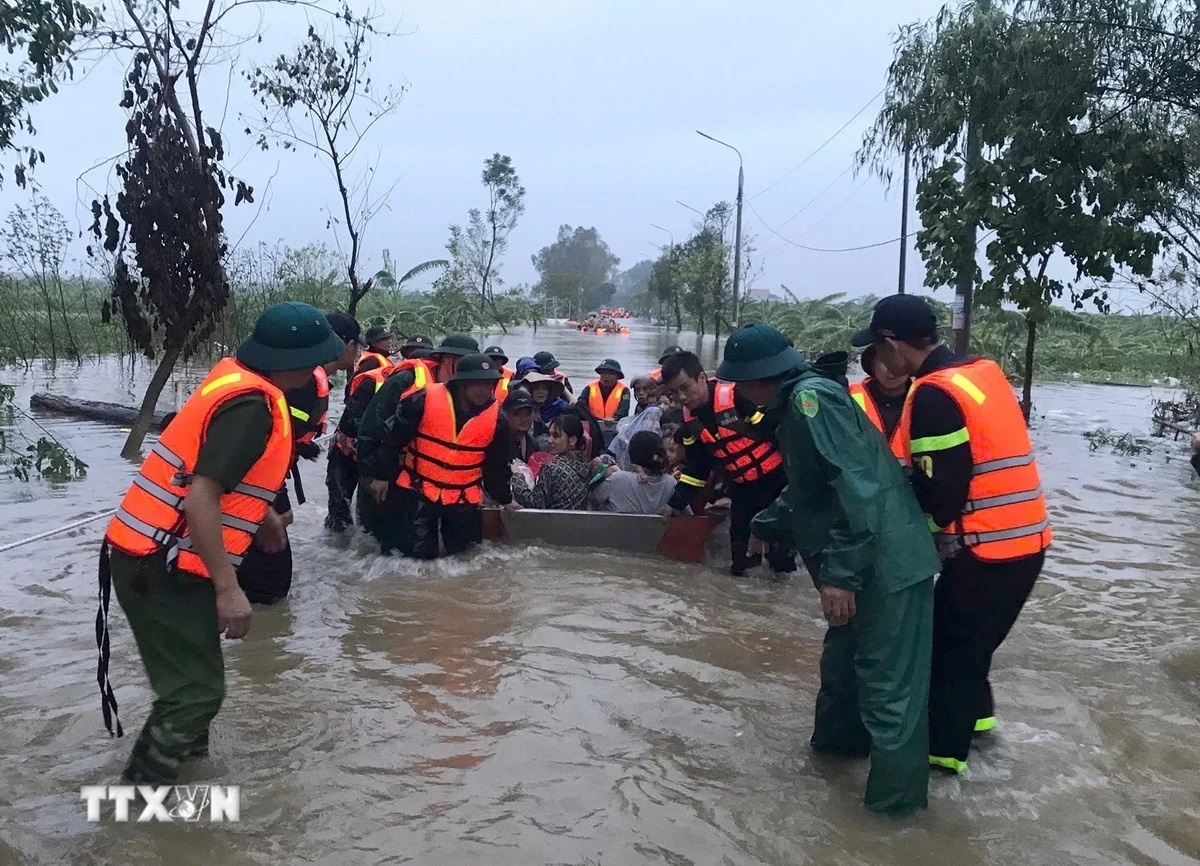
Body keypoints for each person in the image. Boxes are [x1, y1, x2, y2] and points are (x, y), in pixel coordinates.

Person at [96, 302, 344, 783]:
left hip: (149, 555)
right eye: (320, 357)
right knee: (195, 695)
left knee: (194, 688)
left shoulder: (238, 384)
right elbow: (200, 500)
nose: (325, 366)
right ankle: (129, 810)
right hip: (160, 562)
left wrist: (267, 514)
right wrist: (229, 589)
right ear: (294, 360)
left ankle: (184, 803)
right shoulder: (253, 407)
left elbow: (212, 475)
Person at [720, 323, 939, 815]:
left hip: (884, 567)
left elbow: (856, 491)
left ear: (757, 380)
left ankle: (894, 818)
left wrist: (840, 575)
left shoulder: (809, 403)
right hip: (865, 559)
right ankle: (833, 764)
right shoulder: (801, 405)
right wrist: (764, 522)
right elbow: (809, 489)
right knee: (841, 672)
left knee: (889, 694)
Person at [852, 293, 1052, 776]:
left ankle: (943, 771)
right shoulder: (982, 372)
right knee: (972, 649)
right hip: (1027, 542)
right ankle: (982, 736)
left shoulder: (935, 394)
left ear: (893, 345)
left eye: (879, 350)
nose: (881, 362)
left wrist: (901, 547)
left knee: (946, 658)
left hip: (985, 551)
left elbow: (942, 495)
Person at [237, 311, 360, 604]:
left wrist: (299, 447)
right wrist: (267, 508)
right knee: (274, 561)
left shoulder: (307, 379)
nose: (358, 353)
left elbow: (280, 427)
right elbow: (259, 438)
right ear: (345, 345)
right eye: (358, 346)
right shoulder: (303, 381)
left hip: (263, 476)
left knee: (279, 533)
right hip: (254, 479)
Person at [658, 350, 796, 578]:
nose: (681, 397)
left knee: (781, 558)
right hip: (741, 489)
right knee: (740, 559)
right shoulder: (690, 422)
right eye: (674, 392)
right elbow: (696, 469)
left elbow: (776, 433)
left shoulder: (737, 397)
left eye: (685, 387)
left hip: (777, 482)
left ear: (701, 378)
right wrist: (674, 503)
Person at [355, 334, 480, 553]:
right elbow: (373, 425)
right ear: (447, 359)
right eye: (463, 363)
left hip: (419, 472)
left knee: (417, 539)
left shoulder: (462, 390)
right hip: (384, 465)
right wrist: (376, 474)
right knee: (374, 536)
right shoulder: (406, 380)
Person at [389, 353, 515, 558]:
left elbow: (496, 467)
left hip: (462, 497)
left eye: (490, 383)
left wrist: (505, 499)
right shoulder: (422, 399)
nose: (486, 390)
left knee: (463, 557)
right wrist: (378, 476)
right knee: (417, 556)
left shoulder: (497, 420)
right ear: (462, 384)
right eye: (479, 384)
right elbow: (391, 440)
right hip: (418, 488)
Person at [510, 412, 592, 510]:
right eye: (550, 435)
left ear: (572, 440)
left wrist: (517, 476)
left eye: (556, 436)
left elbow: (534, 504)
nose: (549, 440)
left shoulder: (552, 468)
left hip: (554, 523)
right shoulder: (586, 465)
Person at [592, 430, 679, 515]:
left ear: (631, 454)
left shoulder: (618, 479)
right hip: (660, 529)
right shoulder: (671, 482)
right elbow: (686, 513)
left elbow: (594, 496)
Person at [848, 344, 909, 447]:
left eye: (898, 361)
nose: (891, 370)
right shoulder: (848, 395)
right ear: (872, 364)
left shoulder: (927, 398)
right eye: (884, 361)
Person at [577, 359, 631, 425]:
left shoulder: (624, 390)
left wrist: (614, 418)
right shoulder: (589, 388)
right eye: (604, 372)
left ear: (617, 376)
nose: (607, 376)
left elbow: (624, 409)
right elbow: (581, 405)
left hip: (615, 425)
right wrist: (589, 418)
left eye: (611, 373)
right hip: (592, 424)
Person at [502, 389, 541, 463]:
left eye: (527, 414)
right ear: (506, 415)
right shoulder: (498, 444)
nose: (524, 419)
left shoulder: (533, 444)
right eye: (517, 414)